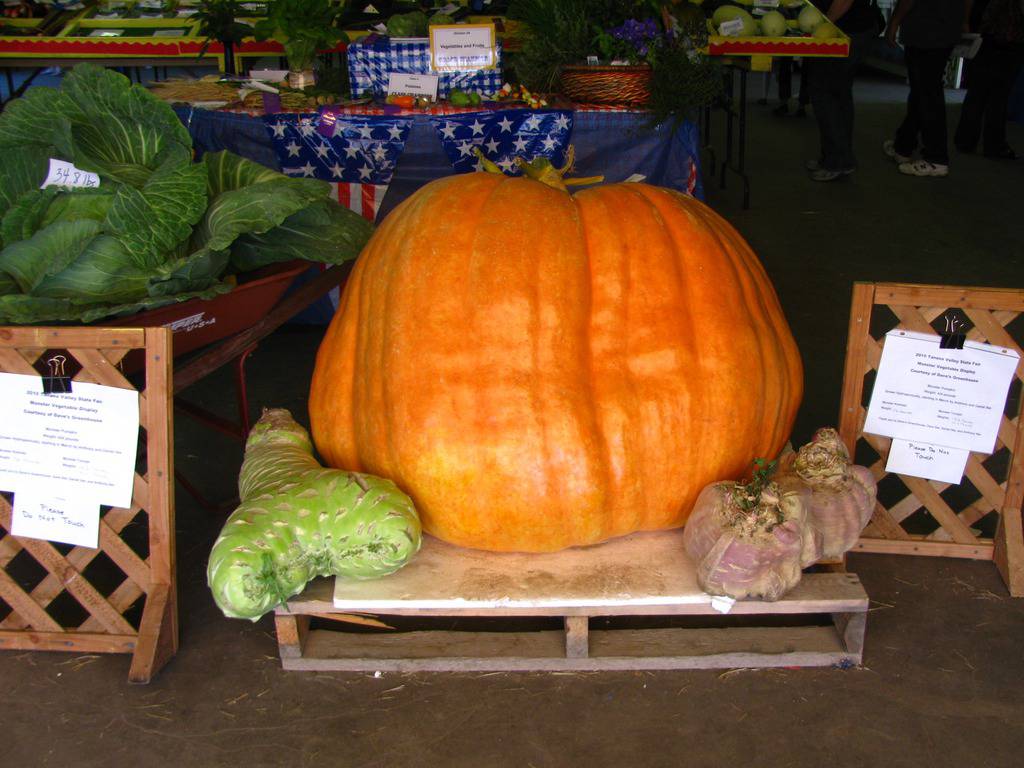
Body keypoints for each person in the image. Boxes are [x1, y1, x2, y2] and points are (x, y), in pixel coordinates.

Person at [883, 0, 969, 177]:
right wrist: (963, 20)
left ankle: (936, 158)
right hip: (945, 30)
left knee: (928, 95)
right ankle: (903, 146)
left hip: (925, 31)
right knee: (922, 93)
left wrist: (894, 22)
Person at [805, 0, 884, 182]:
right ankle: (835, 157)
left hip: (847, 30)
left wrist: (825, 22)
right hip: (847, 28)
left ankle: (838, 161)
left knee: (825, 92)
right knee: (839, 93)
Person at [954, 0, 1024, 159]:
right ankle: (994, 145)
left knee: (977, 92)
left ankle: (965, 141)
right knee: (998, 97)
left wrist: (965, 21)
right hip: (1009, 38)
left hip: (986, 34)